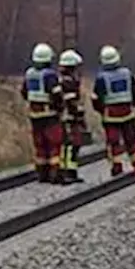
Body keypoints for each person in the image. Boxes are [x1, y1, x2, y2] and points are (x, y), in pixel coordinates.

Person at [92, 45, 135, 178]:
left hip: (110, 116)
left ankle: (117, 167)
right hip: (128, 112)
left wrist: (102, 110)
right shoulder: (127, 74)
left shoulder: (101, 78)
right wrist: (131, 105)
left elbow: (96, 99)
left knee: (114, 142)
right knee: (132, 141)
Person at [20, 43, 63, 183]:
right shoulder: (50, 75)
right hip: (50, 115)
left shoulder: (29, 74)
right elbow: (56, 94)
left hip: (35, 115)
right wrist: (60, 108)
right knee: (53, 143)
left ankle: (41, 173)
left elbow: (24, 92)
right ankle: (54, 172)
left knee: (40, 144)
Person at [56, 49, 87, 184]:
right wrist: (79, 116)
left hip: (65, 117)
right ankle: (69, 172)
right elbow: (71, 102)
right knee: (71, 145)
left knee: (68, 145)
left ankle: (67, 171)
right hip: (69, 118)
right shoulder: (68, 82)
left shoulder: (62, 80)